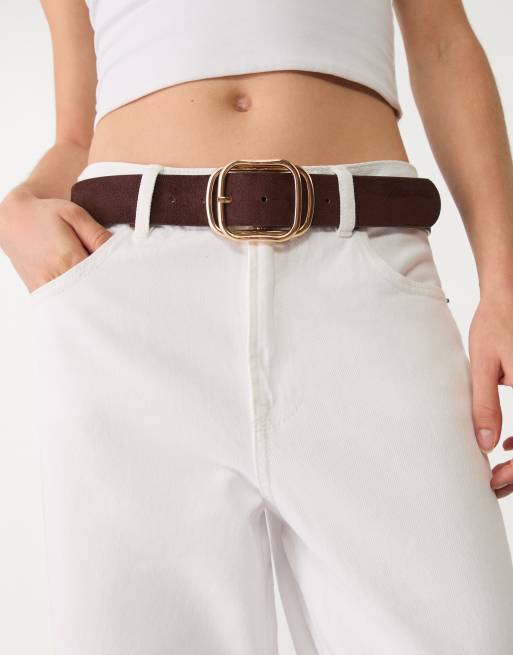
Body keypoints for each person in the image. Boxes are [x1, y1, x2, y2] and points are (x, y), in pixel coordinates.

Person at [1, 0, 513, 652]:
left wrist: (503, 288)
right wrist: (16, 210)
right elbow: (78, 131)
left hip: (364, 274)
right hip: (130, 299)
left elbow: (443, 45)